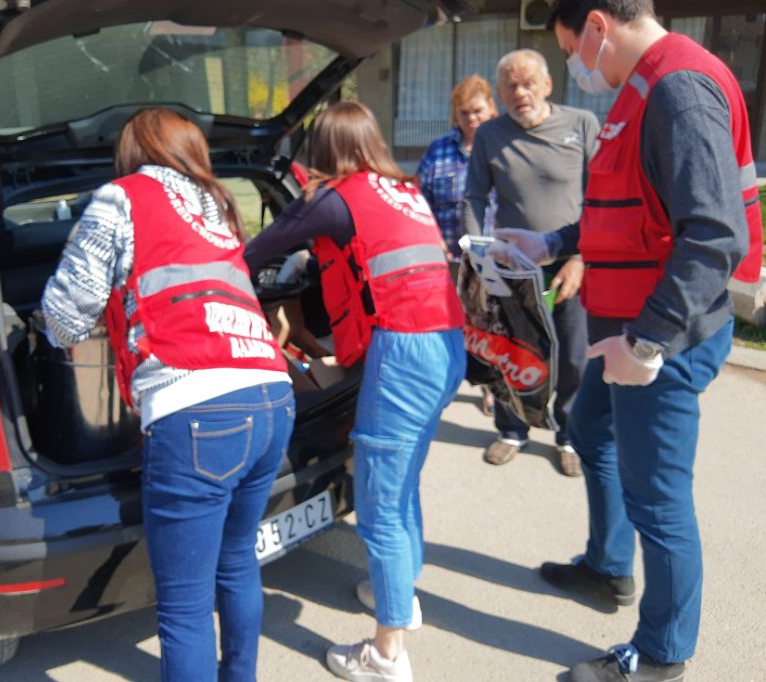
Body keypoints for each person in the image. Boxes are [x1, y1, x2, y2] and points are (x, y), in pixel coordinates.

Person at [492, 0, 763, 680]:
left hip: (659, 337)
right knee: (588, 427)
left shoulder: (678, 88)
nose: (576, 69)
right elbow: (624, 203)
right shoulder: (640, 90)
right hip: (623, 327)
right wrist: (547, 245)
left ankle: (662, 655)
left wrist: (648, 343)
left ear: (597, 29)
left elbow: (712, 234)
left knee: (658, 496)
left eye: (572, 52)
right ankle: (610, 567)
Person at [41, 107, 294, 682]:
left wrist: (34, 319)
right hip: (273, 396)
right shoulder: (218, 208)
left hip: (199, 412)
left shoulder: (120, 197)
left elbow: (64, 317)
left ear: (133, 152)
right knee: (237, 563)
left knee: (183, 610)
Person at [244, 100, 467, 682]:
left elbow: (255, 252)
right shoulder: (401, 190)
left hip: (405, 352)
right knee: (404, 477)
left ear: (326, 151)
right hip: (445, 343)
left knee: (380, 505)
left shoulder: (333, 198)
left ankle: (386, 655)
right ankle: (400, 597)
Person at [462, 48, 599, 477]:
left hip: (568, 266)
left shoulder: (581, 124)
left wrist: (579, 257)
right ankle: (511, 429)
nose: (520, 93)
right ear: (500, 92)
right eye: (510, 86)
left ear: (547, 85)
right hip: (512, 268)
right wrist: (478, 254)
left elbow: (600, 200)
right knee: (514, 354)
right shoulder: (490, 134)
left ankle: (568, 434)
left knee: (574, 357)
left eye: (527, 83)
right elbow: (474, 197)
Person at [417, 73, 499, 417]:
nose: (471, 119)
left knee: (490, 324)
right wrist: (433, 241)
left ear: (491, 109)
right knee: (449, 323)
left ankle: (491, 386)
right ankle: (447, 381)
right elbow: (421, 201)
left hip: (492, 256)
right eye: (465, 113)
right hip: (448, 255)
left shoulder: (502, 145)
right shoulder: (439, 150)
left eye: (478, 111)